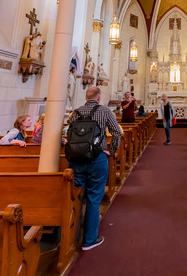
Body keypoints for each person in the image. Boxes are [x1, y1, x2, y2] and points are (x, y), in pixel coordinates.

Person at [67, 86, 122, 251]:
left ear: (86, 97)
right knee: (93, 199)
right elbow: (117, 133)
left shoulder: (75, 112)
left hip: (76, 159)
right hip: (97, 158)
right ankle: (89, 240)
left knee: (76, 198)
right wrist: (111, 151)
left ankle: (71, 239)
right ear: (98, 98)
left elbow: (69, 131)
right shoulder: (104, 111)